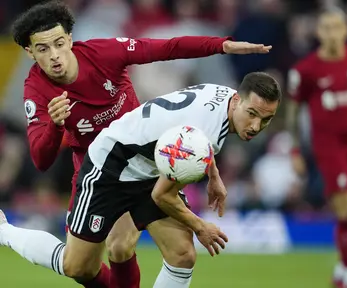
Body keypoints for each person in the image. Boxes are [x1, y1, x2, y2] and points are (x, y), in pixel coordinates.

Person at [10, 1, 272, 287]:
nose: (55, 56)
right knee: (83, 264)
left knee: (182, 253)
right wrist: (54, 126)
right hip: (100, 169)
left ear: (70, 39)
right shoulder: (36, 90)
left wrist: (220, 45)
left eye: (59, 43)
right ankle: (4, 231)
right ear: (30, 52)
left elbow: (167, 48)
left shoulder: (104, 53)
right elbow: (40, 159)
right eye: (43, 49)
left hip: (148, 160)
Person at [287, 8, 347, 288]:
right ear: (318, 33)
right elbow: (294, 111)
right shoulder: (306, 69)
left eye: (336, 27)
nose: (331, 33)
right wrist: (295, 150)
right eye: (325, 28)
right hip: (328, 146)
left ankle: (342, 269)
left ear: (345, 30)